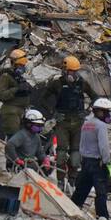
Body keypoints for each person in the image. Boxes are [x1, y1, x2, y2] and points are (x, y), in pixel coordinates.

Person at [43, 55, 94, 185]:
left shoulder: (82, 83)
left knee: (75, 153)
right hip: (62, 122)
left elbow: (96, 97)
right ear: (65, 70)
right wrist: (53, 112)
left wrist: (87, 111)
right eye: (71, 71)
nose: (73, 74)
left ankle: (72, 179)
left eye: (75, 71)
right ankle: (60, 180)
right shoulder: (57, 83)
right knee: (61, 152)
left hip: (78, 122)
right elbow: (44, 98)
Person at [71, 98, 111, 219]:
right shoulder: (101, 126)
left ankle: (72, 208)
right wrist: (107, 162)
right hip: (98, 163)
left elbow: (81, 143)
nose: (108, 115)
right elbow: (104, 146)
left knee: (82, 188)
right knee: (101, 191)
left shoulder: (86, 123)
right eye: (106, 112)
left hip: (86, 161)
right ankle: (102, 216)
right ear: (99, 111)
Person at [0, 48, 32, 138]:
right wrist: (16, 89)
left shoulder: (20, 78)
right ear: (14, 64)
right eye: (20, 65)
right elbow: (1, 95)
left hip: (21, 112)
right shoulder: (6, 76)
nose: (22, 68)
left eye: (23, 66)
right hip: (11, 112)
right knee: (14, 139)